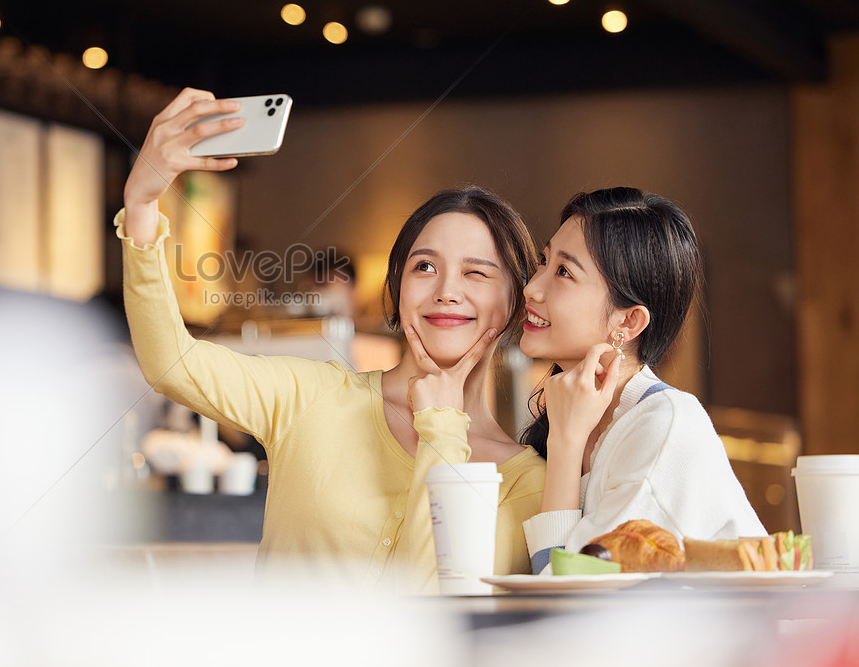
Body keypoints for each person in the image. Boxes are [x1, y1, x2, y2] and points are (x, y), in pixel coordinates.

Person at [120, 87, 545, 591]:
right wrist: (143, 201)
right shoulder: (311, 397)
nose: (446, 291)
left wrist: (442, 425)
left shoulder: (526, 481)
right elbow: (171, 362)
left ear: (517, 303)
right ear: (396, 289)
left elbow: (429, 600)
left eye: (476, 273)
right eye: (425, 266)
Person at [518, 187, 764, 572]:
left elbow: (567, 595)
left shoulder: (662, 425)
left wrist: (565, 444)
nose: (531, 288)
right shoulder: (579, 414)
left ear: (628, 321)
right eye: (543, 262)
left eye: (564, 272)